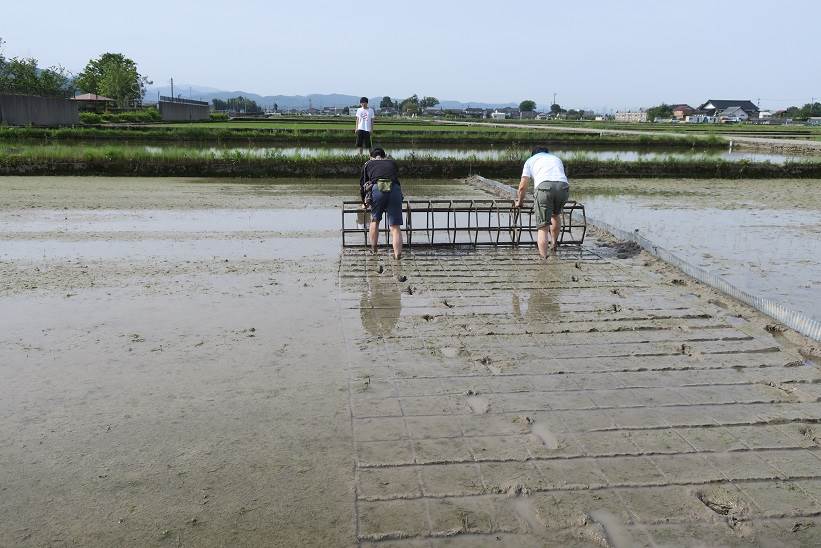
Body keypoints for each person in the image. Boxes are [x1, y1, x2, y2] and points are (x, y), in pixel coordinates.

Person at [516, 146, 570, 258]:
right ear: (547, 153)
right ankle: (554, 244)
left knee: (543, 227)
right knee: (555, 215)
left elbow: (522, 187)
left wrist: (520, 203)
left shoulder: (530, 160)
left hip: (544, 188)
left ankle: (543, 259)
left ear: (533, 154)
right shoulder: (556, 158)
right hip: (563, 187)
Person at [360, 148, 403, 259]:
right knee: (395, 226)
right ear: (385, 156)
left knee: (375, 220)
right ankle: (397, 254)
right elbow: (396, 178)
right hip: (394, 189)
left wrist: (364, 202)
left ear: (371, 157)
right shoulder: (392, 162)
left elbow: (363, 185)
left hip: (377, 189)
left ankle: (374, 250)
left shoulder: (367, 164)